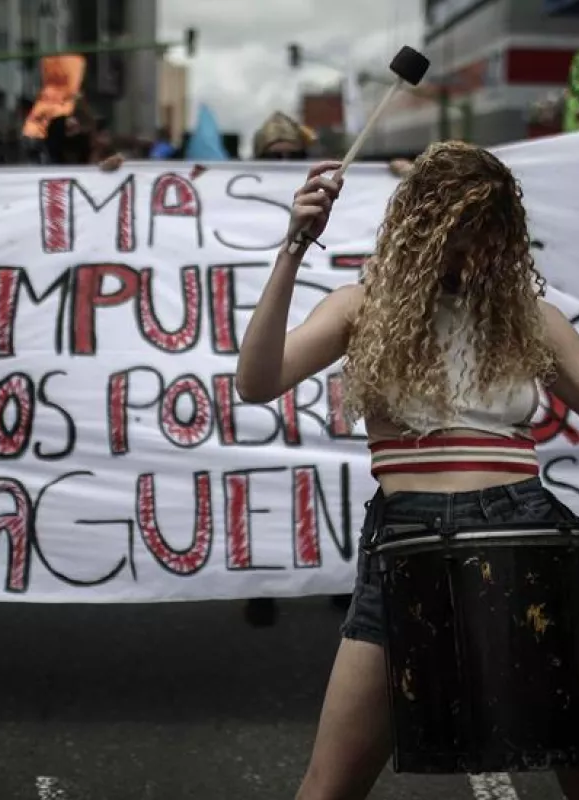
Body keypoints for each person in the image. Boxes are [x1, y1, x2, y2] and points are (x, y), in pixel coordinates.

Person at [235, 142, 579, 800]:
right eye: (456, 241)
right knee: (330, 782)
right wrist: (292, 250)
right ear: (419, 232)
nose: (471, 259)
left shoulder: (532, 321)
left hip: (523, 531)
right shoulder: (358, 309)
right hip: (410, 539)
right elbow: (255, 382)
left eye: (487, 240)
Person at [240, 111, 350, 628]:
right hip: (263, 353)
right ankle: (260, 579)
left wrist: (401, 174)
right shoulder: (231, 199)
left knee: (331, 470)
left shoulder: (328, 197)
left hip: (317, 361)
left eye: (291, 157)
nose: (283, 165)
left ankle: (336, 572)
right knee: (261, 480)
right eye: (272, 157)